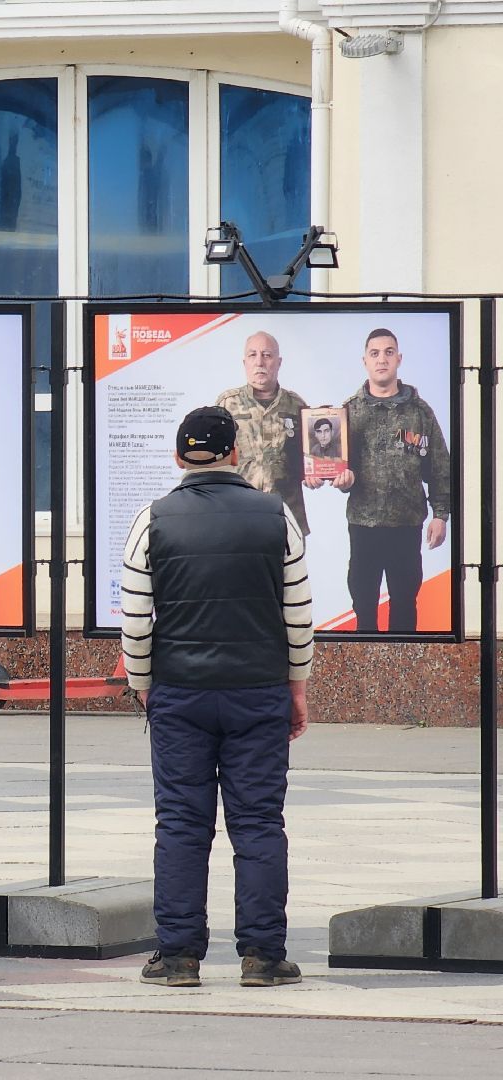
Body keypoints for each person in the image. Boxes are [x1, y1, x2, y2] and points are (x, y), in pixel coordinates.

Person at [120, 405, 313, 988]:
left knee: (180, 823)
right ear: (236, 454)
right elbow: (298, 616)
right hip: (258, 692)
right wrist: (296, 688)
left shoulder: (151, 520)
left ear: (180, 457)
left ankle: (177, 957)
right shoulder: (277, 516)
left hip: (180, 693)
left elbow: (134, 621)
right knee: (258, 823)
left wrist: (144, 687)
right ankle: (262, 957)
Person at [327, 328, 450, 634]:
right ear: (365, 361)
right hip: (363, 524)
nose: (382, 359)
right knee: (364, 606)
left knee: (405, 607)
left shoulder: (420, 413)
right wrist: (343, 480)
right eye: (375, 353)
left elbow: (439, 466)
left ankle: (404, 676)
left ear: (399, 358)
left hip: (406, 525)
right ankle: (365, 679)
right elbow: (340, 466)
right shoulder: (347, 412)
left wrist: (440, 515)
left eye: (388, 352)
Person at [215, 331, 311, 535]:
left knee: (287, 569)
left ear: (279, 362)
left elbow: (311, 458)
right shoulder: (227, 404)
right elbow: (215, 461)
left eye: (267, 355)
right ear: (244, 362)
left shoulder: (297, 406)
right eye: (253, 355)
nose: (259, 362)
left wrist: (317, 473)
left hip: (286, 518)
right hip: (238, 517)